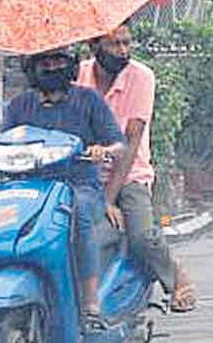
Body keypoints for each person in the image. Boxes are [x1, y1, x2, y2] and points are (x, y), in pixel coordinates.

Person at [0, 46, 125, 332]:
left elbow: (118, 143)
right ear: (31, 69)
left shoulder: (89, 101)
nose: (52, 67)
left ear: (71, 66)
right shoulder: (20, 106)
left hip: (77, 186)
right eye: (44, 62)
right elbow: (1, 141)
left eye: (59, 61)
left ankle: (89, 304)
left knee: (80, 215)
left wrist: (103, 150)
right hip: (27, 187)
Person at [79, 22, 197, 312]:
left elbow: (131, 143)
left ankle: (175, 276)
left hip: (129, 174)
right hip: (85, 173)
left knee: (142, 235)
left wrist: (108, 199)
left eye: (126, 43)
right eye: (114, 45)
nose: (123, 51)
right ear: (94, 47)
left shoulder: (141, 77)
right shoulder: (78, 75)